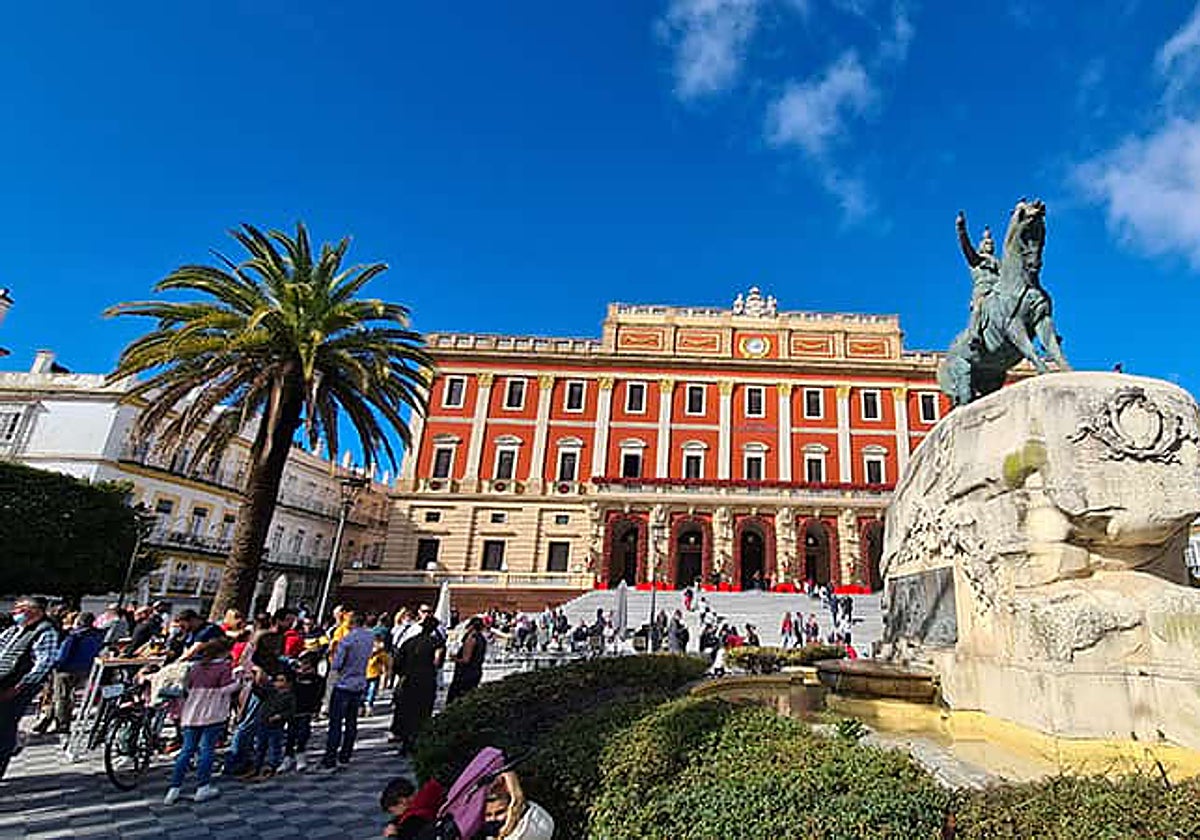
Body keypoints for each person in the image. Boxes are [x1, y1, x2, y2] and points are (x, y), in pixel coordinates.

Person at [163, 636, 243, 805]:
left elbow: (186, 687)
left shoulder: (194, 667)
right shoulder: (223, 667)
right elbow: (224, 689)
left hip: (191, 712)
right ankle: (203, 786)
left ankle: (174, 789)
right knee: (207, 750)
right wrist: (239, 681)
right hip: (212, 712)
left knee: (187, 750)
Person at [0, 597, 59, 779]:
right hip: (4, 680)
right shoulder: (13, 631)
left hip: (19, 685)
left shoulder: (45, 632)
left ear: (35, 611)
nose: (15, 612)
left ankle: (3, 758)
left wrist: (21, 685)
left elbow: (44, 663)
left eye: (20, 609)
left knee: (4, 725)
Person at [319, 610, 373, 771]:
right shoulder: (369, 637)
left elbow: (336, 665)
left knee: (335, 723)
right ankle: (345, 755)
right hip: (359, 683)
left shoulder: (348, 639)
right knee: (351, 722)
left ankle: (330, 758)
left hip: (344, 683)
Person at [33, 611, 104, 735]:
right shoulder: (98, 635)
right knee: (61, 697)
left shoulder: (74, 636)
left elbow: (62, 655)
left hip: (66, 670)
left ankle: (62, 724)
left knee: (61, 697)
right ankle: (46, 721)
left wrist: (54, 666)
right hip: (85, 669)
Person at [390, 615, 445, 752]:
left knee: (406, 710)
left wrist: (402, 674)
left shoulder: (409, 642)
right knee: (423, 711)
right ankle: (419, 740)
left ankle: (405, 741)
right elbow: (437, 663)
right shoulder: (437, 643)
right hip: (426, 681)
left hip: (408, 679)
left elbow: (397, 662)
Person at [245, 669, 296, 781]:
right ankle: (256, 767)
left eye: (281, 680)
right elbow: (259, 691)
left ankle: (271, 767)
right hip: (263, 723)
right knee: (260, 747)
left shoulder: (289, 696)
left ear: (288, 683)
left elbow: (291, 711)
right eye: (276, 680)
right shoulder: (270, 692)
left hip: (276, 726)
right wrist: (253, 681)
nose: (277, 683)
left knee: (274, 747)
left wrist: (281, 716)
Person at [281, 649, 324, 773]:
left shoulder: (317, 680)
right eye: (301, 663)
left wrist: (317, 708)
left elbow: (319, 695)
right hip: (293, 710)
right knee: (290, 734)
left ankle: (300, 754)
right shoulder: (294, 677)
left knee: (303, 733)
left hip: (306, 710)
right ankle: (288, 756)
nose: (302, 666)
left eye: (305, 664)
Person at [380, 776, 446, 839]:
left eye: (392, 811)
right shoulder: (425, 798)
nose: (395, 815)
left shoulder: (412, 820)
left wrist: (392, 835)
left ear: (402, 801)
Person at [446, 616, 487, 704]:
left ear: (471, 626)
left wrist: (454, 658)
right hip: (476, 670)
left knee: (457, 699)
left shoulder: (471, 638)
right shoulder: (482, 638)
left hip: (465, 673)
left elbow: (466, 659)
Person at [364, 637, 390, 715]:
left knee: (370, 691)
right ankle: (364, 706)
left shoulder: (380, 653)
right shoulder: (367, 651)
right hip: (368, 674)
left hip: (373, 674)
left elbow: (385, 663)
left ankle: (368, 706)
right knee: (367, 691)